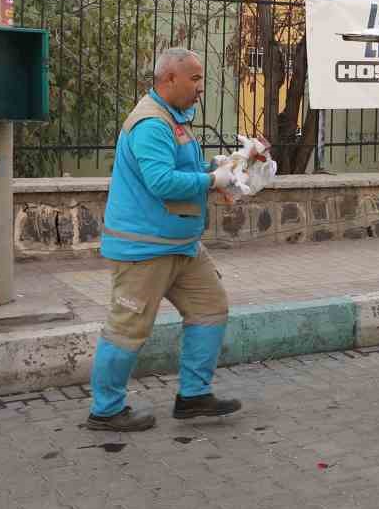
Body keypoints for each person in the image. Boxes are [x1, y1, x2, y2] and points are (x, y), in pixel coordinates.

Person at [85, 47, 257, 431]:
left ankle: (194, 396)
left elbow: (183, 169)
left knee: (210, 308)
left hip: (181, 245)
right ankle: (106, 410)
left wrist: (227, 166)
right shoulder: (151, 123)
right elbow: (161, 182)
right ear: (169, 80)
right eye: (194, 79)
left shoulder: (174, 119)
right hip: (144, 248)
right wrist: (211, 180)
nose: (201, 87)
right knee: (128, 329)